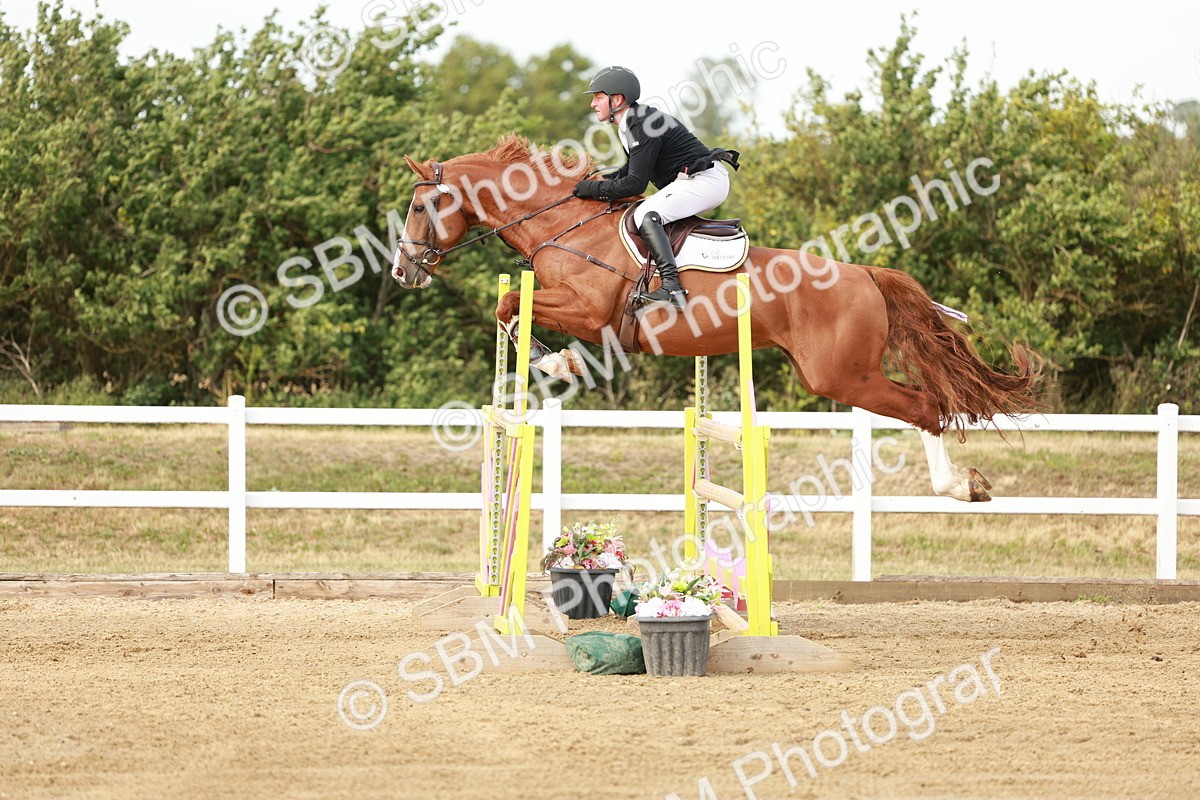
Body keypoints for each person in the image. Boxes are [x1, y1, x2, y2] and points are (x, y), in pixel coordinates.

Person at [572, 65, 739, 309]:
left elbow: (634, 184)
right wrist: (592, 181)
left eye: (598, 97)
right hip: (697, 181)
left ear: (617, 99)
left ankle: (672, 288)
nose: (593, 104)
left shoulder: (641, 124)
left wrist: (590, 189)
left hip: (706, 181)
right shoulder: (631, 122)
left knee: (645, 215)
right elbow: (628, 171)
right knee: (645, 211)